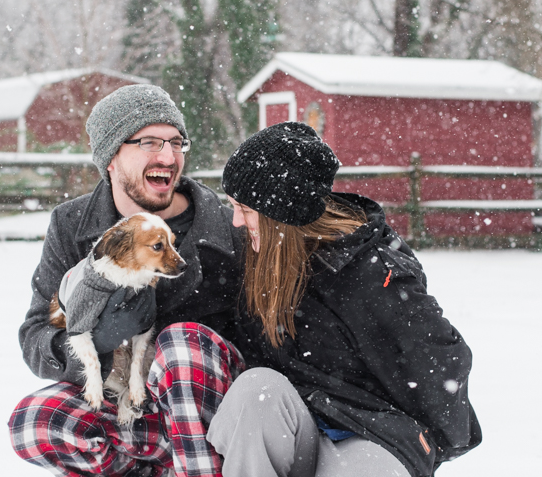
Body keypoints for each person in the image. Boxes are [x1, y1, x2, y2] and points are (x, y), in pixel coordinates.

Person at [205, 122, 481, 477]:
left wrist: (428, 444)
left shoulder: (374, 274)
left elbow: (441, 366)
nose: (237, 222)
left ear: (281, 218)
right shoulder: (258, 258)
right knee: (256, 392)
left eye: (243, 209)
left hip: (372, 436)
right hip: (299, 427)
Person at [8, 84, 246, 477]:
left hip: (210, 414)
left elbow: (267, 333)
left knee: (180, 345)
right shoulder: (73, 226)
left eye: (176, 142)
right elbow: (35, 337)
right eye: (149, 142)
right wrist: (94, 342)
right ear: (111, 159)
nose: (168, 157)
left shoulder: (226, 227)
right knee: (35, 422)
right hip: (127, 402)